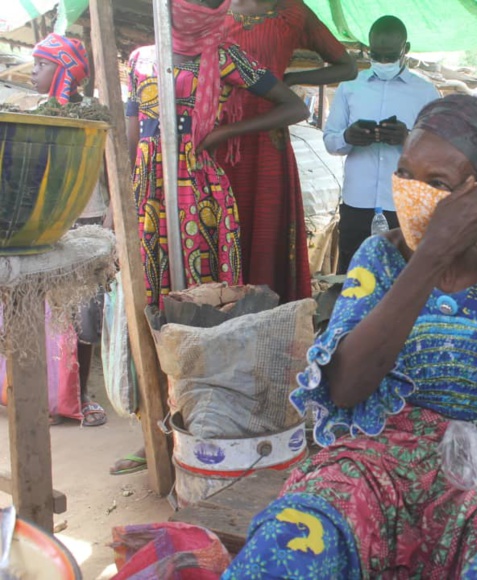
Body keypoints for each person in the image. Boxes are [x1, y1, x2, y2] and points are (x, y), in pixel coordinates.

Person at [224, 95, 477, 578]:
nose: (413, 193)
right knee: (288, 541)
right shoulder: (380, 258)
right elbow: (347, 389)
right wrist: (430, 258)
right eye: (405, 174)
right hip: (375, 461)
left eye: (436, 184)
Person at [111, 0, 310, 475]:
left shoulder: (224, 57)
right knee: (150, 304)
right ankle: (155, 428)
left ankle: (207, 424)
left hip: (200, 193)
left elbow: (295, 106)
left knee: (201, 311)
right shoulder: (140, 59)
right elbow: (132, 126)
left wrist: (224, 134)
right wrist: (116, 200)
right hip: (149, 190)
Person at [223, 0, 357, 303]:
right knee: (218, 223)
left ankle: (266, 317)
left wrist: (294, 78)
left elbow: (347, 67)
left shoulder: (293, 12)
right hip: (218, 137)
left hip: (267, 137)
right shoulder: (212, 8)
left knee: (265, 231)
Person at [22, 33, 108, 427]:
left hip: (90, 225)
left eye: (41, 65)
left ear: (64, 69)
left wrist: (110, 229)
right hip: (48, 226)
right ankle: (46, 395)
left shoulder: (93, 113)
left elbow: (110, 175)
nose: (33, 73)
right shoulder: (37, 111)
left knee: (84, 318)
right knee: (45, 316)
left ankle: (81, 394)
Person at [323, 15, 440, 274]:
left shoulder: (426, 92)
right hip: (357, 204)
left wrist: (407, 139)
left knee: (402, 279)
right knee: (352, 277)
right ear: (368, 49)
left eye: (390, 56)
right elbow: (331, 140)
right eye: (376, 55)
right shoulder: (350, 87)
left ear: (405, 50)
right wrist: (348, 137)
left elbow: (438, 154)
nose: (383, 62)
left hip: (403, 206)